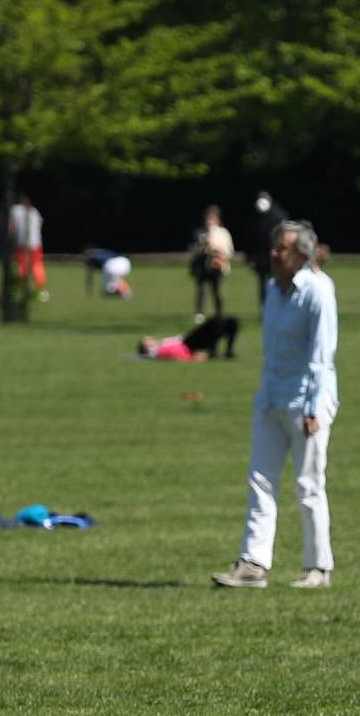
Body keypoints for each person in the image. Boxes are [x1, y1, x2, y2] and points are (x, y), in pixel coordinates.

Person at [212, 220, 337, 591]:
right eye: (273, 246)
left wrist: (314, 406)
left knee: (308, 484)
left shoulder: (318, 291)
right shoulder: (272, 289)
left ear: (301, 254)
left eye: (280, 248)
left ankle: (318, 566)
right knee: (260, 480)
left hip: (306, 402)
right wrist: (263, 395)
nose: (273, 253)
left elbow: (321, 354)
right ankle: (253, 563)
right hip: (271, 399)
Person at [190, 204, 234, 320]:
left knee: (216, 290)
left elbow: (229, 250)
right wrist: (202, 246)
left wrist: (220, 254)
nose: (210, 222)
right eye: (208, 219)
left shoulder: (223, 233)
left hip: (216, 266)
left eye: (213, 219)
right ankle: (199, 313)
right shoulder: (199, 233)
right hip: (202, 266)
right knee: (201, 289)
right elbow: (193, 250)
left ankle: (219, 313)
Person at [140, 314, 240, 361]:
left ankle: (228, 351)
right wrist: (194, 358)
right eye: (147, 340)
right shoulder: (157, 351)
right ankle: (214, 350)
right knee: (215, 322)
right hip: (189, 344)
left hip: (188, 340)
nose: (150, 338)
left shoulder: (160, 345)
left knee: (230, 322)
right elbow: (177, 357)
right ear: (147, 347)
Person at [249, 190, 287, 309]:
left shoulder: (279, 216)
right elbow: (251, 239)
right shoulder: (255, 218)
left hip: (276, 257)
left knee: (277, 283)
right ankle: (264, 308)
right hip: (261, 259)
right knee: (262, 284)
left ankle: (277, 306)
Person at [8, 193, 48, 303]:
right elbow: (39, 226)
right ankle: (41, 291)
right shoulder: (34, 211)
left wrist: (10, 240)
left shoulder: (14, 210)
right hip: (35, 243)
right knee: (37, 266)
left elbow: (12, 228)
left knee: (22, 266)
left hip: (22, 243)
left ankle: (21, 290)